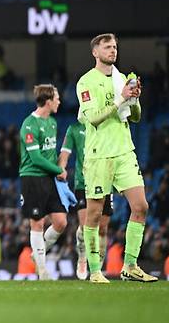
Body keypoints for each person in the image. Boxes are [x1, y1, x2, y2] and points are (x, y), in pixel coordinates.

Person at [76, 33, 158, 283]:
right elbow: (93, 118)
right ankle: (94, 271)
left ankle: (130, 266)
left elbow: (135, 117)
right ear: (95, 52)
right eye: (107, 47)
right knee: (94, 214)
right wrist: (121, 97)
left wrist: (134, 99)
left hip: (124, 150)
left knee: (141, 206)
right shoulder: (86, 81)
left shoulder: (121, 78)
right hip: (99, 154)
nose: (113, 50)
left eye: (114, 47)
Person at [18, 84, 67, 280]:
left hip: (49, 178)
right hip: (32, 177)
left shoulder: (52, 123)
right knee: (37, 223)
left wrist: (58, 171)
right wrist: (59, 170)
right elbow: (36, 158)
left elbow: (51, 154)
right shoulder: (29, 124)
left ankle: (38, 252)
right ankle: (42, 269)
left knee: (61, 222)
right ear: (48, 101)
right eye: (57, 98)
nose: (59, 101)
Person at [58, 120, 114, 280]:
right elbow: (64, 153)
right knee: (85, 226)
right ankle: (82, 258)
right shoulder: (74, 129)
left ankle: (98, 268)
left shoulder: (107, 126)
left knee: (102, 228)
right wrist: (61, 167)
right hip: (83, 182)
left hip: (105, 181)